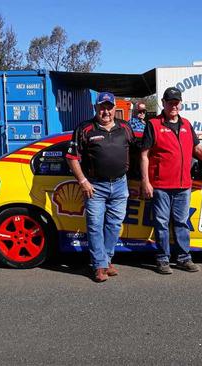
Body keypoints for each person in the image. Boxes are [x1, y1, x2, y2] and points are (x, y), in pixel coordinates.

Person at [140, 87, 202, 274]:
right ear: (163, 103)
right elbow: (144, 155)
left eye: (177, 102)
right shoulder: (153, 125)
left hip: (184, 185)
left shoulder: (186, 124)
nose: (174, 105)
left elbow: (197, 150)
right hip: (160, 185)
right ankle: (162, 260)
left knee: (182, 223)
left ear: (181, 103)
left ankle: (184, 258)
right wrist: (146, 181)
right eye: (170, 102)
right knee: (161, 223)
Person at [65, 92, 135, 282]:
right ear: (96, 108)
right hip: (94, 186)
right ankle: (99, 266)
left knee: (114, 226)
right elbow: (71, 158)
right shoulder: (85, 128)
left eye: (109, 107)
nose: (106, 111)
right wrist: (83, 181)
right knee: (95, 226)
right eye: (102, 107)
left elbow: (137, 152)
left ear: (114, 108)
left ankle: (106, 259)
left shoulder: (126, 128)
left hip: (120, 185)